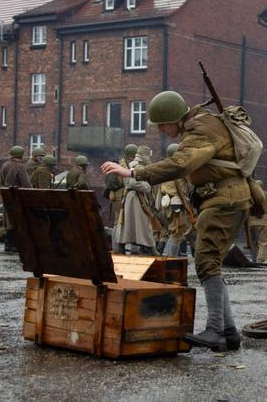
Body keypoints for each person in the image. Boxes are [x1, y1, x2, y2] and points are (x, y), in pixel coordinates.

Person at [101, 90, 252, 352]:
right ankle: (228, 332)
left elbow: (182, 164)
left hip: (224, 200)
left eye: (161, 124)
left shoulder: (200, 130)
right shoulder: (201, 125)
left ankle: (216, 330)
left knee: (206, 262)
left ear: (174, 118)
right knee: (211, 262)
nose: (160, 130)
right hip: (223, 199)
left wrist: (133, 171)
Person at [117, 145, 158, 256]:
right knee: (143, 223)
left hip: (133, 197)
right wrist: (148, 186)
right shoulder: (137, 166)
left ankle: (122, 246)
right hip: (136, 197)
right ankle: (150, 247)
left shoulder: (132, 165)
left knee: (129, 223)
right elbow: (133, 183)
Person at [157, 143, 195, 258]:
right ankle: (171, 259)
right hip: (177, 204)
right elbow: (183, 189)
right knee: (177, 233)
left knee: (172, 232)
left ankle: (169, 257)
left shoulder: (164, 167)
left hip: (166, 204)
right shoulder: (178, 168)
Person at [0, 145, 32, 252]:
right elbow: (26, 184)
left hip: (6, 196)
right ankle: (13, 245)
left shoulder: (4, 165)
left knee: (8, 220)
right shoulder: (20, 166)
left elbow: (1, 181)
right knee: (17, 221)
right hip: (16, 198)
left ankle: (8, 244)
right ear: (21, 154)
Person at [107, 144, 138, 249]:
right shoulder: (126, 166)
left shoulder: (119, 163)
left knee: (117, 222)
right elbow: (128, 182)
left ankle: (116, 247)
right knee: (120, 222)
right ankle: (118, 248)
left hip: (115, 196)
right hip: (121, 195)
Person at [247, 180, 267, 264]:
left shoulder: (249, 196)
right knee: (264, 242)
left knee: (253, 242)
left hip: (251, 221)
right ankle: (260, 260)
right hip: (265, 221)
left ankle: (254, 259)